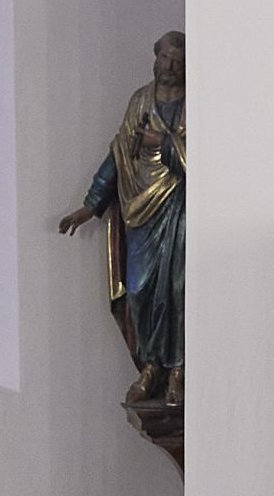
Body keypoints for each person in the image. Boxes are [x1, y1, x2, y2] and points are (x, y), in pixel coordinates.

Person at [57, 28, 186, 401]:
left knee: (178, 291)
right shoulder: (140, 101)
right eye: (165, 59)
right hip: (141, 212)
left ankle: (176, 369)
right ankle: (150, 365)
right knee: (140, 288)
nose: (170, 67)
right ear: (155, 58)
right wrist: (91, 204)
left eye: (177, 62)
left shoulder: (197, 103)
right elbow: (118, 155)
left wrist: (160, 142)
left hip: (178, 207)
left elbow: (204, 160)